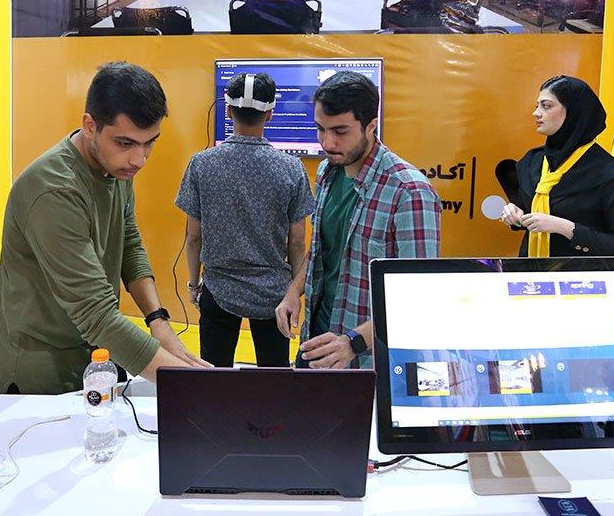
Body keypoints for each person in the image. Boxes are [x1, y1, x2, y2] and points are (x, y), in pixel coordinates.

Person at [0, 62, 208, 395]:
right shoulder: (54, 189)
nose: (139, 159)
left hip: (92, 358)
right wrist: (193, 386)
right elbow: (96, 313)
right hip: (37, 370)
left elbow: (129, 244)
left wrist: (158, 320)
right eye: (125, 143)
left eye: (149, 143)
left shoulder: (116, 169)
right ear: (90, 125)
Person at [275, 71, 441, 369]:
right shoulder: (326, 173)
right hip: (316, 341)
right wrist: (292, 292)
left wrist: (353, 342)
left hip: (366, 360)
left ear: (371, 126)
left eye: (340, 131)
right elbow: (322, 249)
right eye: (320, 129)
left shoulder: (409, 192)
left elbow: (419, 295)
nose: (327, 142)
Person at [175, 73, 315, 367]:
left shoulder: (202, 164)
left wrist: (193, 283)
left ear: (228, 111)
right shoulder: (291, 168)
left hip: (218, 289)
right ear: (270, 114)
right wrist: (293, 292)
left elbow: (194, 237)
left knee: (214, 376)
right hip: (273, 295)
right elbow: (297, 241)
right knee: (273, 380)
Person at [500, 75, 614, 259]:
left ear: (574, 112)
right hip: (530, 272)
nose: (536, 113)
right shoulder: (531, 161)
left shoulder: (607, 174)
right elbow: (528, 211)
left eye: (546, 106)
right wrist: (514, 214)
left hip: (581, 275)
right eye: (537, 105)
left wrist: (567, 228)